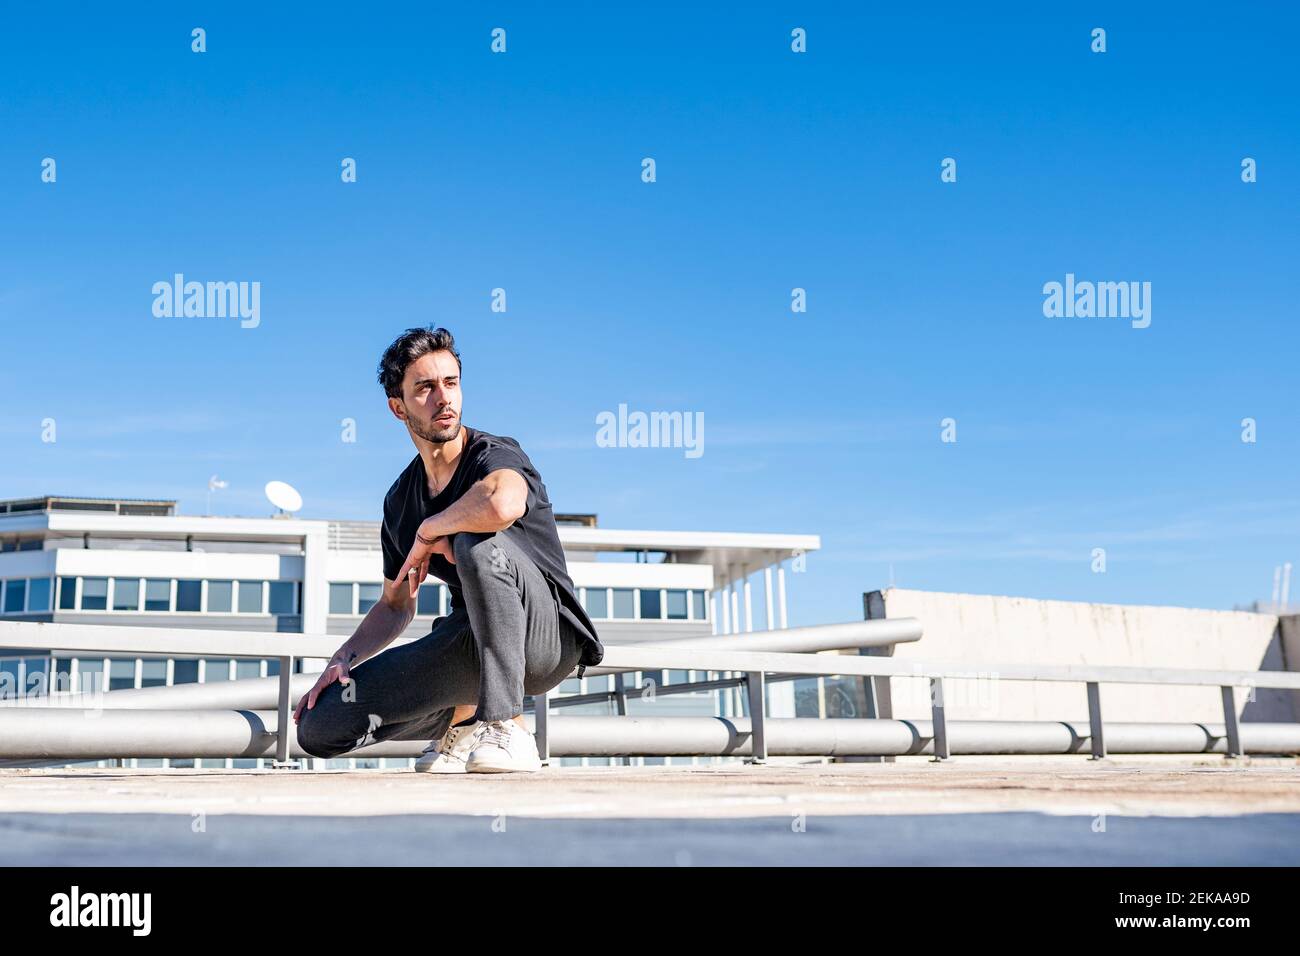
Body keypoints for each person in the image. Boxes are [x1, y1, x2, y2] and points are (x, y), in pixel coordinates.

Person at [294, 326, 604, 773]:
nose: (443, 398)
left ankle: (507, 727)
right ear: (398, 408)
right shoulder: (401, 500)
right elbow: (394, 605)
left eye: (451, 383)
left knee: (474, 540)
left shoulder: (494, 454)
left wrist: (432, 530)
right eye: (425, 388)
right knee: (321, 725)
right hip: (472, 645)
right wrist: (343, 657)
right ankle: (465, 720)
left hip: (547, 640)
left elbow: (502, 503)